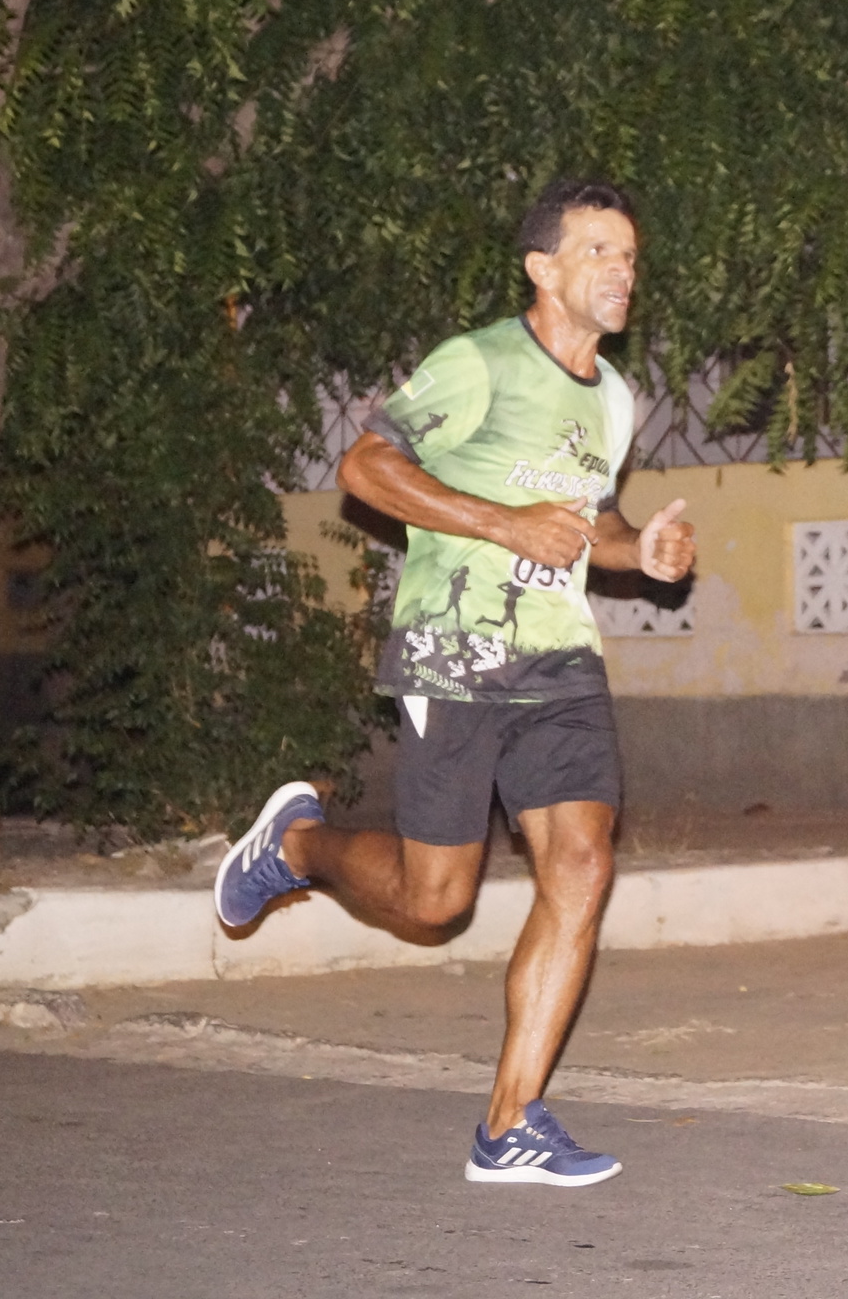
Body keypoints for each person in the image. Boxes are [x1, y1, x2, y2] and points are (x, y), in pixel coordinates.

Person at [211, 178, 694, 1187]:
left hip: (559, 659)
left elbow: (587, 525)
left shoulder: (613, 398)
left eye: (629, 256)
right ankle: (296, 843)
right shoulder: (477, 363)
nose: (621, 271)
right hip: (454, 650)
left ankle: (509, 1124)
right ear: (542, 268)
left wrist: (636, 552)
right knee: (435, 902)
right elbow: (364, 468)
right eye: (599, 251)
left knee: (582, 865)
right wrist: (500, 523)